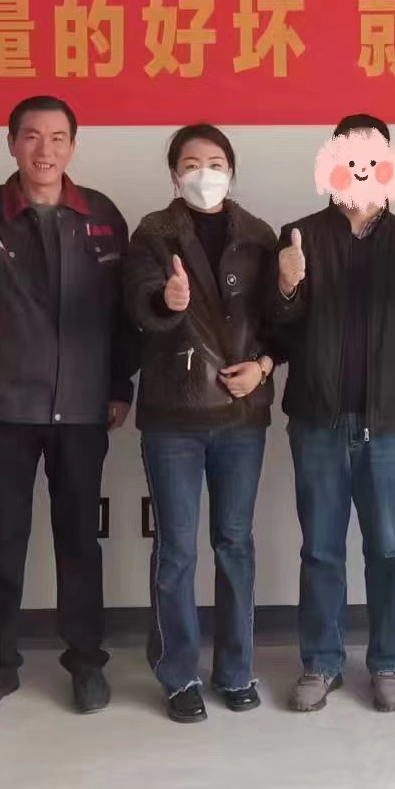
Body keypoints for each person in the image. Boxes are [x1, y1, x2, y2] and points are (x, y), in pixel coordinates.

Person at [0, 95, 136, 719]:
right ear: (12, 142)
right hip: (3, 406)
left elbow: (120, 312)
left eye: (57, 137)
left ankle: (87, 663)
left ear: (73, 145)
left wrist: (118, 386)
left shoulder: (101, 215)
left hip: (82, 408)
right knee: (3, 541)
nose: (44, 150)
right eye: (31, 136)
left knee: (80, 542)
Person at [270, 114, 395, 714]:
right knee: (320, 548)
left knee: (389, 549)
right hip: (317, 421)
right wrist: (286, 289)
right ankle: (320, 662)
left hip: (390, 426)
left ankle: (388, 662)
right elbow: (278, 335)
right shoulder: (299, 236)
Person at [123, 124, 282, 724]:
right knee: (177, 549)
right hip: (174, 418)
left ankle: (237, 670)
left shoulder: (259, 235)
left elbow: (280, 323)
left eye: (215, 162)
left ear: (231, 171)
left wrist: (262, 367)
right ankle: (178, 674)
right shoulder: (152, 234)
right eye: (191, 163)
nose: (204, 173)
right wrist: (167, 300)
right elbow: (137, 306)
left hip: (242, 415)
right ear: (174, 174)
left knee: (235, 544)